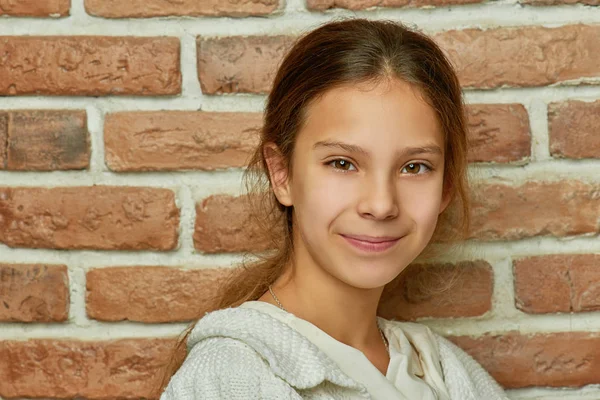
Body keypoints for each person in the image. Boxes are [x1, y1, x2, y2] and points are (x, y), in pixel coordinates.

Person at [160, 18, 508, 400]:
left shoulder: (446, 372)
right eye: (342, 163)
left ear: (445, 187)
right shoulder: (229, 377)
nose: (381, 205)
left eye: (414, 167)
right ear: (282, 175)